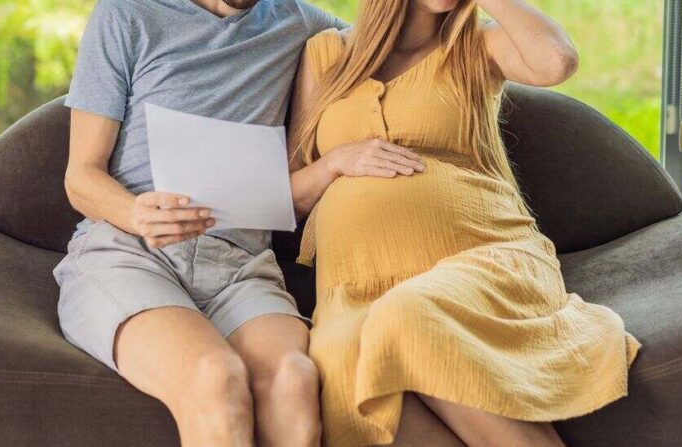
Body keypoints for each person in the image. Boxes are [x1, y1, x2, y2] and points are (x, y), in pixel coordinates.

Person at [286, 0, 643, 446]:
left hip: (479, 258)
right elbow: (289, 196)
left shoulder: (477, 45)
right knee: (343, 368)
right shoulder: (325, 55)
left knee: (409, 316)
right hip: (354, 287)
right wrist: (335, 163)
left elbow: (557, 61)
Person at [53, 1, 346, 446]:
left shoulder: (296, 19)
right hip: (130, 253)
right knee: (216, 375)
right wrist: (136, 213)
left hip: (239, 266)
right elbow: (80, 177)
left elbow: (401, 34)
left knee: (293, 378)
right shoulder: (125, 14)